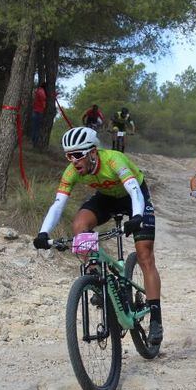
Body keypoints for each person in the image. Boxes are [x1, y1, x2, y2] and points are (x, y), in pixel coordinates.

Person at [33, 127, 163, 345]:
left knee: (145, 255)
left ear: (93, 153)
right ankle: (96, 279)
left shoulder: (114, 160)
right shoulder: (72, 171)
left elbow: (134, 191)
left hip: (134, 196)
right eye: (68, 155)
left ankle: (156, 319)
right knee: (80, 224)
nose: (73, 161)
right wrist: (43, 232)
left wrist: (137, 216)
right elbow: (58, 205)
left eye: (77, 155)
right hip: (106, 198)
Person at [31, 82, 47, 147]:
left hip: (35, 111)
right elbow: (43, 99)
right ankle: (35, 143)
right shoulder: (41, 91)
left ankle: (34, 142)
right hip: (38, 112)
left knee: (35, 128)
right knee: (37, 128)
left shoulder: (38, 91)